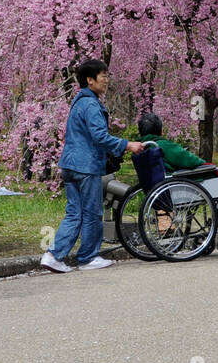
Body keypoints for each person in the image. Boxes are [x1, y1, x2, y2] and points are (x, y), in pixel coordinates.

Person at [41, 59, 145, 274]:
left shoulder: (79, 102)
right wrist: (127, 145)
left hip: (70, 164)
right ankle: (88, 257)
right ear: (90, 80)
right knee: (91, 213)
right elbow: (99, 136)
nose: (106, 80)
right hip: (85, 166)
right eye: (102, 75)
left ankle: (53, 255)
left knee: (74, 213)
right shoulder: (91, 104)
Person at [137, 112, 218, 242]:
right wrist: (205, 165)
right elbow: (189, 160)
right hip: (179, 187)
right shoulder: (163, 145)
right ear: (161, 130)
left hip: (160, 190)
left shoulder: (141, 147)